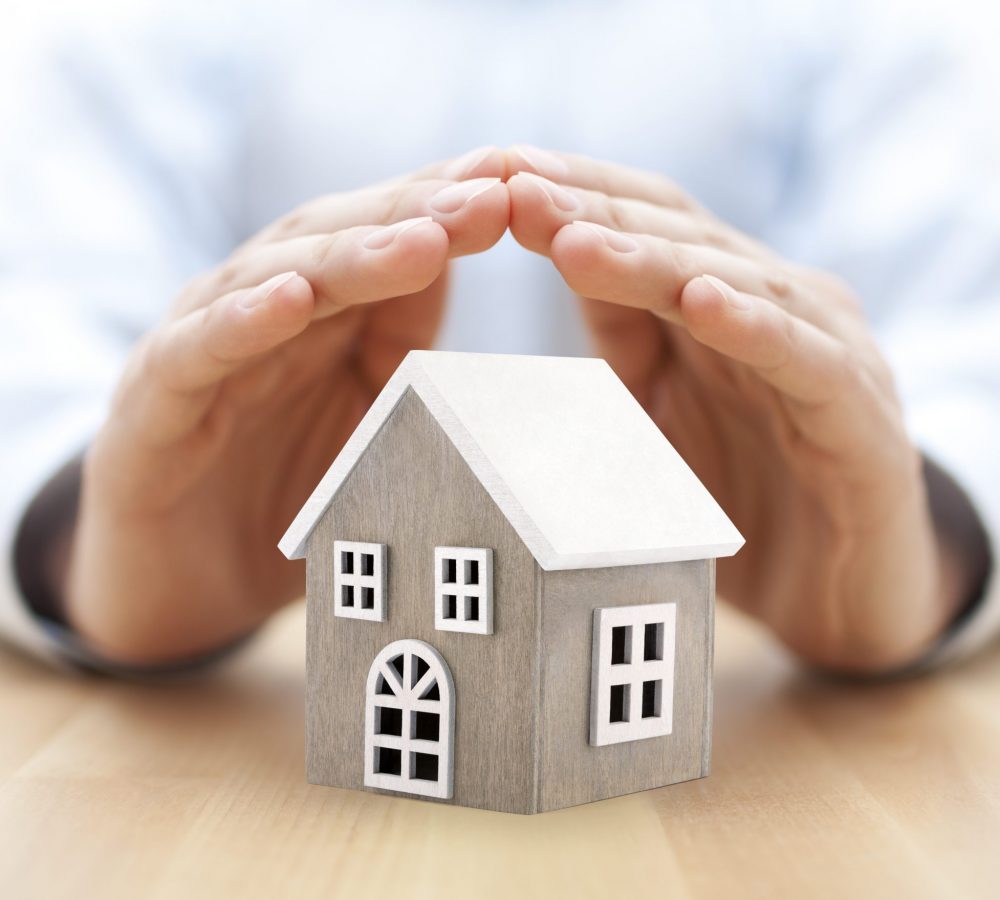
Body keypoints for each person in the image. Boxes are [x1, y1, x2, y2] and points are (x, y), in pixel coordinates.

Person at [1, 0, 996, 675]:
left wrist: (930, 536)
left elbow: (969, 331)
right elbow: (38, 325)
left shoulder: (868, 30)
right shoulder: (140, 31)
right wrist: (78, 542)